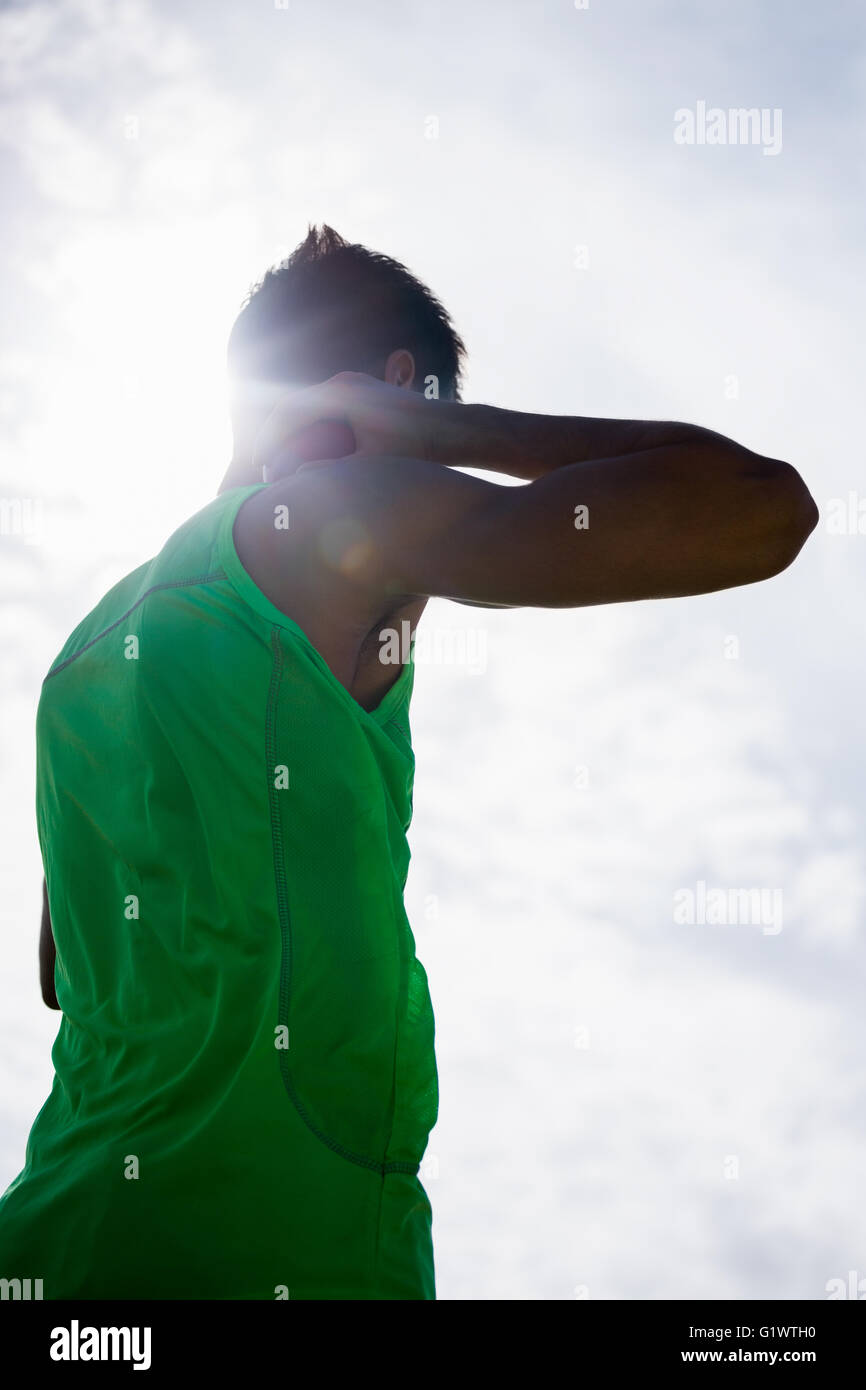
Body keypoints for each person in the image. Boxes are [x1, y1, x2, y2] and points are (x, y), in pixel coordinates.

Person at [0, 225, 818, 1300]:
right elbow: (761, 509)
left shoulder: (93, 650)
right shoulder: (344, 519)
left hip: (61, 1240)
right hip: (279, 1242)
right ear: (393, 388)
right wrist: (455, 428)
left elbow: (66, 967)